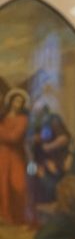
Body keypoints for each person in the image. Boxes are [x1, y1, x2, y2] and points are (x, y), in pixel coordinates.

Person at [0, 88, 30, 224]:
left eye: (21, 102)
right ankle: (5, 216)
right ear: (11, 101)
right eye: (17, 100)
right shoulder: (3, 117)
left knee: (18, 185)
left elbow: (14, 137)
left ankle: (18, 217)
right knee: (2, 184)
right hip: (2, 155)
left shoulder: (23, 119)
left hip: (16, 156)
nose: (19, 104)